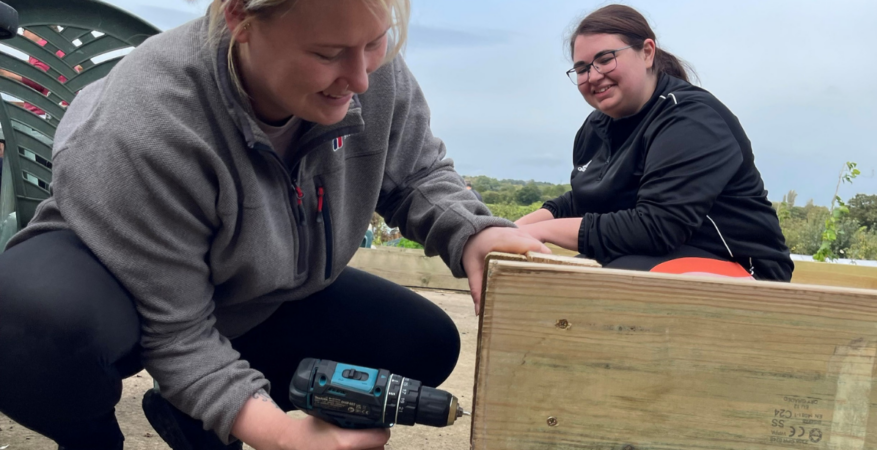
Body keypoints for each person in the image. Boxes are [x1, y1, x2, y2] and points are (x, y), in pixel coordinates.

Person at [0, 1, 549, 450]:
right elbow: (178, 331)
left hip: (253, 289)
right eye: (328, 54)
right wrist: (281, 435)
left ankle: (192, 413)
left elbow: (416, 172)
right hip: (120, 286)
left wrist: (475, 231)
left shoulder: (367, 68)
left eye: (377, 43)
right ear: (240, 18)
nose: (359, 79)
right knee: (33, 327)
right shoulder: (146, 119)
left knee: (422, 343)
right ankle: (94, 440)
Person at [515, 4, 793, 281]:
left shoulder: (691, 118)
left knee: (606, 282)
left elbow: (658, 227)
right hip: (660, 255)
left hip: (743, 266)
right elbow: (586, 200)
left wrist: (542, 232)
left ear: (647, 52)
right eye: (582, 68)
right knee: (554, 279)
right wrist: (511, 229)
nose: (594, 75)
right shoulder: (595, 127)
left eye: (605, 59)